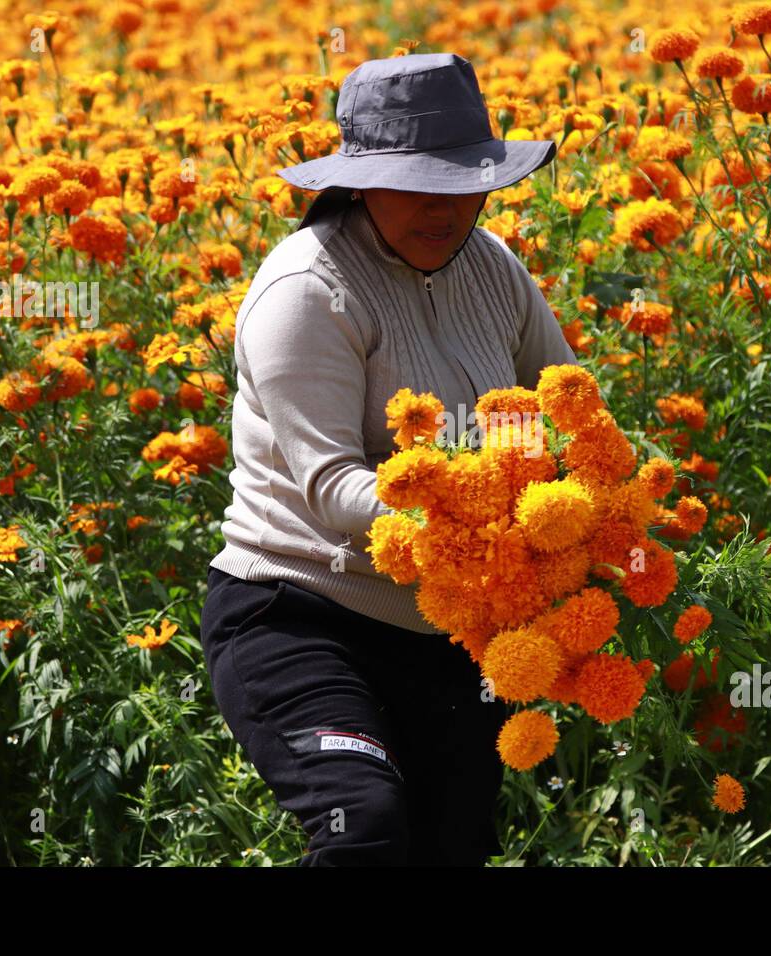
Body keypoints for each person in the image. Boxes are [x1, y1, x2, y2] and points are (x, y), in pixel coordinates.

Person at [199, 52, 579, 866]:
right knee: (361, 828)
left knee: (453, 850)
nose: (443, 209)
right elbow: (334, 488)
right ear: (359, 181)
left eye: (461, 182)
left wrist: (583, 512)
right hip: (299, 612)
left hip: (450, 627)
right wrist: (493, 516)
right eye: (415, 183)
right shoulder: (307, 289)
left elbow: (562, 411)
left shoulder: (494, 268)